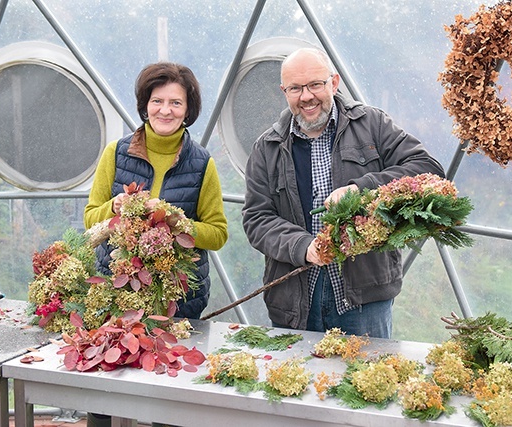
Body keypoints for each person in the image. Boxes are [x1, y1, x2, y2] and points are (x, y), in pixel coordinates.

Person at [242, 48, 445, 339]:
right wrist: (304, 247)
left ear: (334, 83)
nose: (306, 96)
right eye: (296, 88)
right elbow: (257, 219)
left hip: (365, 299)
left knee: (366, 379)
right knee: (299, 381)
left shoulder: (371, 124)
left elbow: (428, 169)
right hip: (295, 300)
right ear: (284, 91)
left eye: (315, 84)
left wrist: (360, 189)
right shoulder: (267, 146)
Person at [84, 62, 228, 427]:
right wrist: (113, 207)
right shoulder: (115, 154)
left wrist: (176, 221)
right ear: (144, 104)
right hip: (117, 296)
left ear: (188, 110)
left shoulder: (202, 163)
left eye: (176, 103)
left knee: (171, 399)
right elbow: (89, 218)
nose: (165, 110)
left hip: (177, 300)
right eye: (157, 100)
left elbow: (218, 233)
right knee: (105, 394)